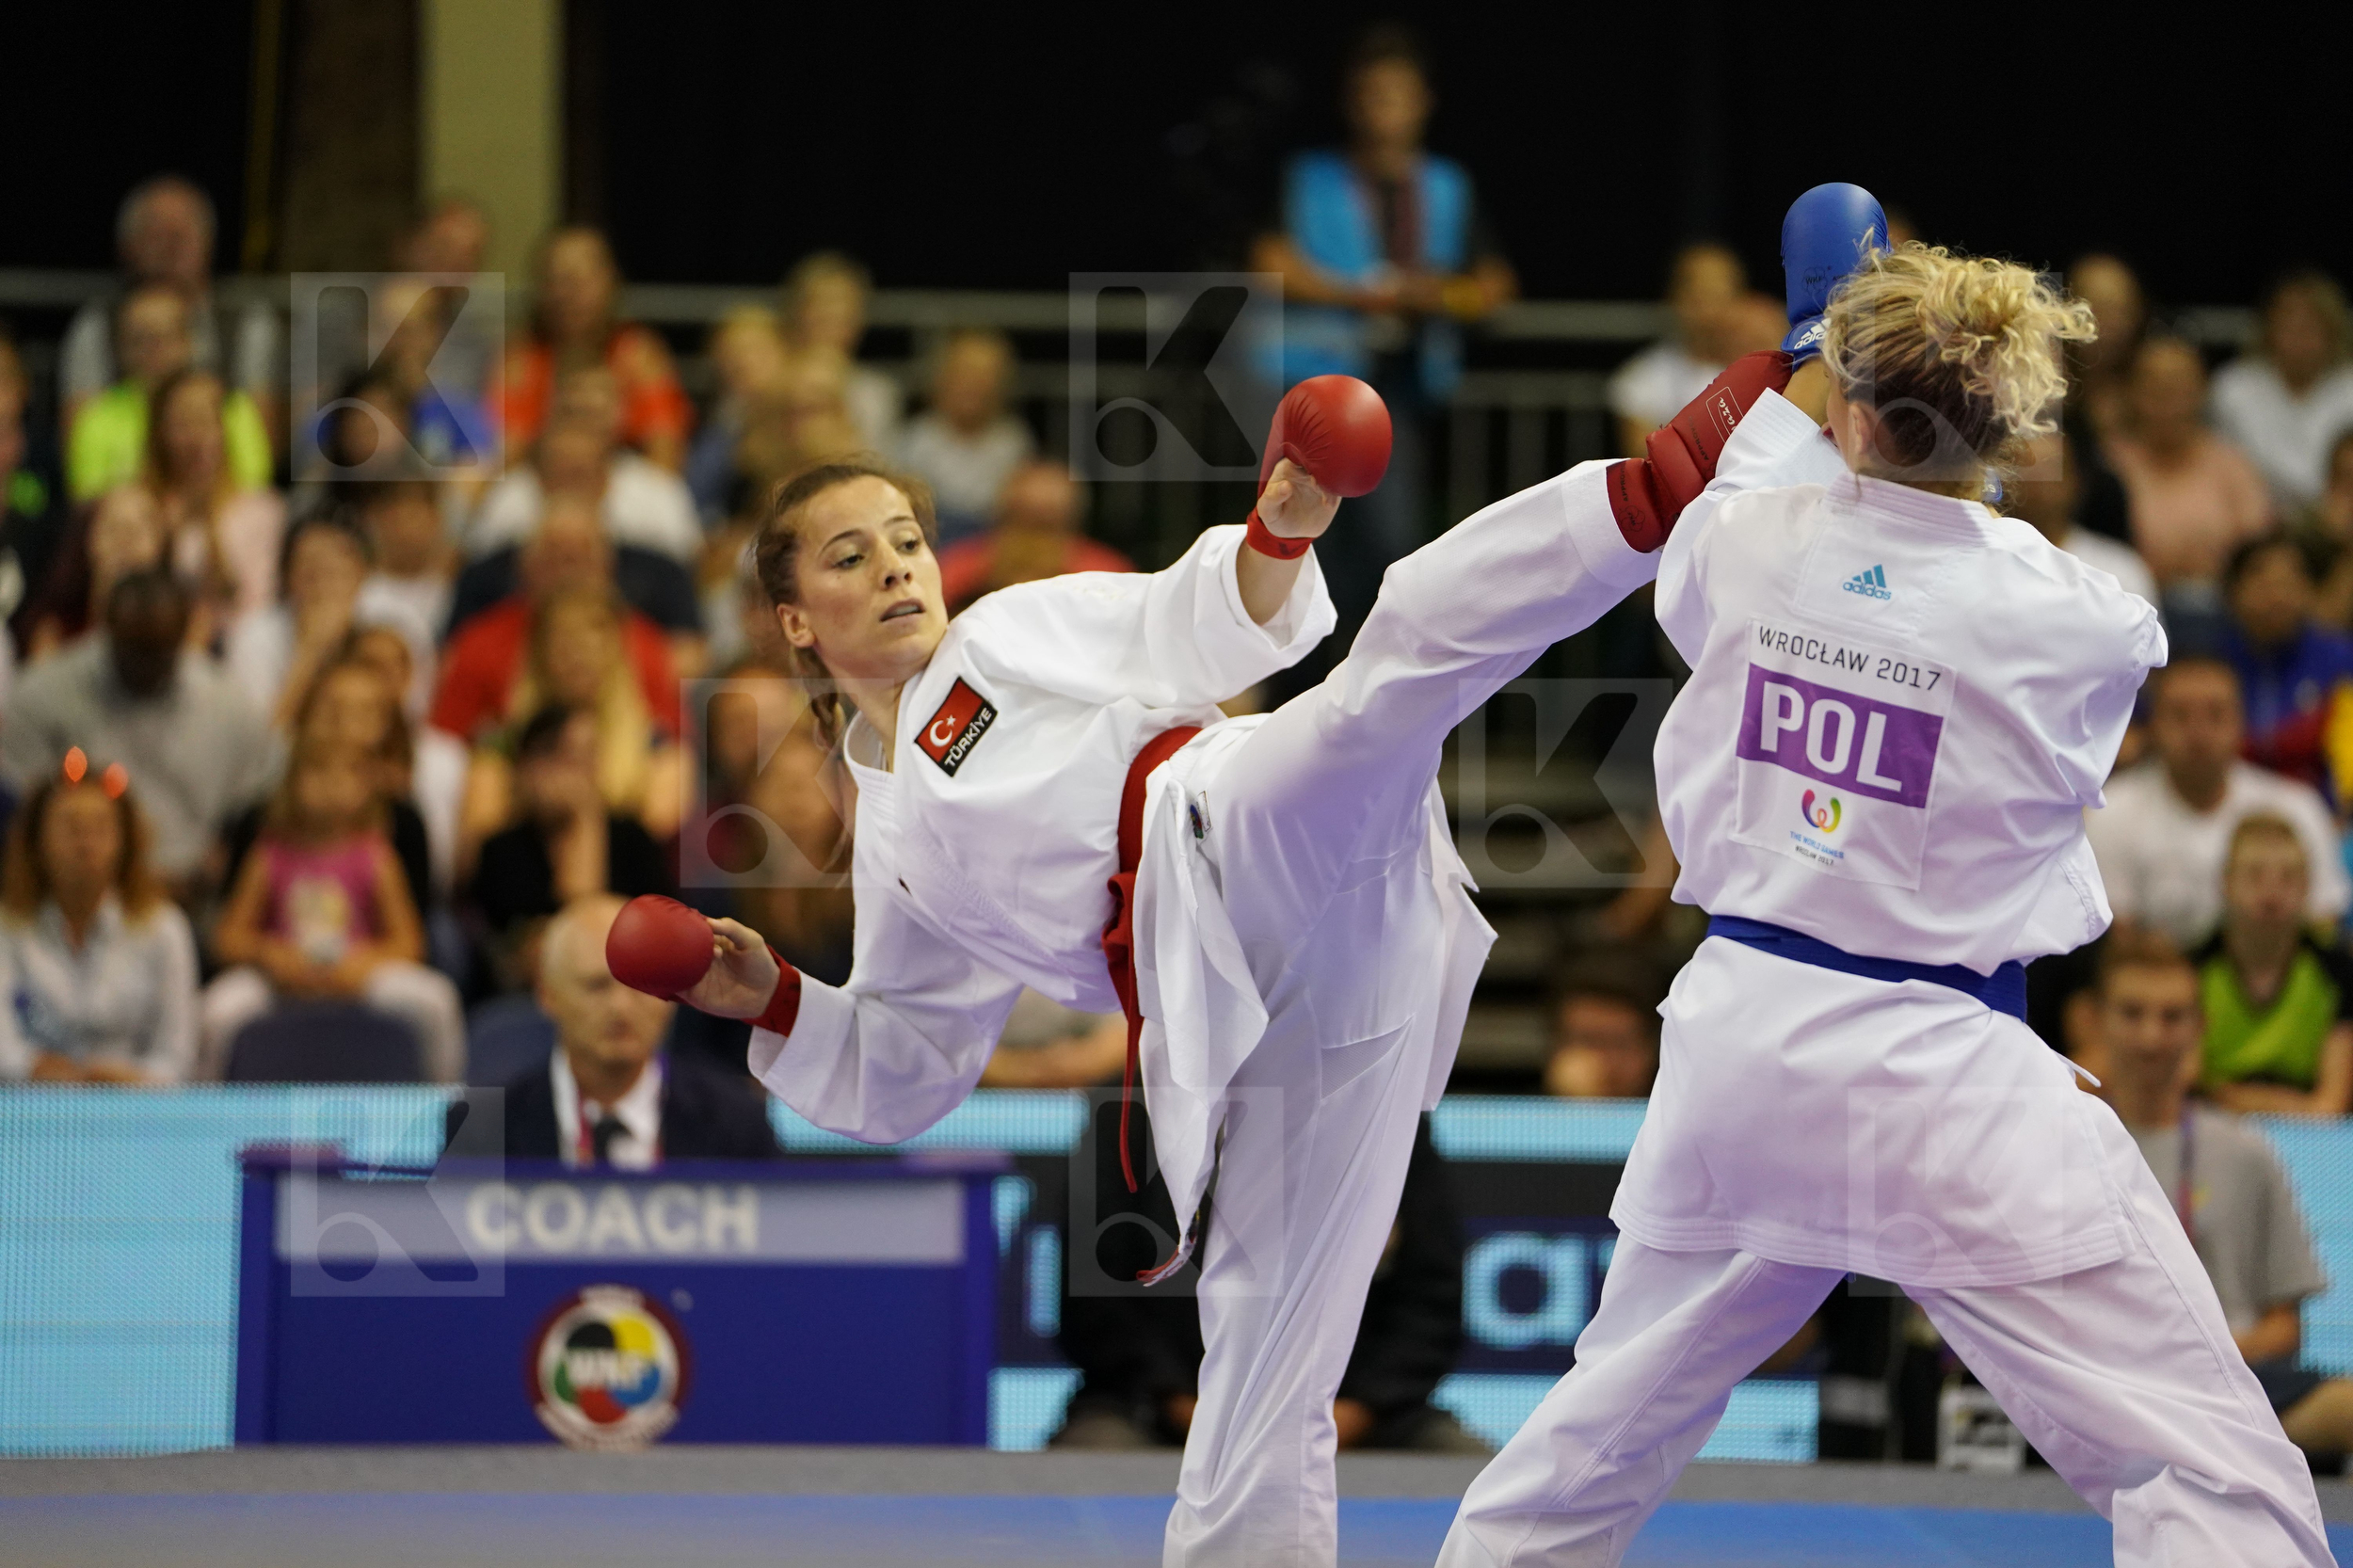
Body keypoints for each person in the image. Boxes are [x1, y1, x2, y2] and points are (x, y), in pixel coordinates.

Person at [1440, 245, 2333, 1564]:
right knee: (2205, 1461)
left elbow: (1773, 454)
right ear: (2014, 426)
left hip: (1744, 1049)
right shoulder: (2078, 613)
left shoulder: (1746, 533)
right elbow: (2058, 606)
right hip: (1944, 1077)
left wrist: (1820, 347)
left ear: (1853, 409)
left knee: (1598, 1434)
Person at [1251, 24, 1515, 647]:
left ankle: (1359, 669)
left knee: (1387, 545)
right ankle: (1288, 672)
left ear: (1423, 102)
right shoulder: (1310, 177)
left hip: (1400, 386)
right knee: (1300, 537)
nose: (1384, 110)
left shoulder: (1447, 185)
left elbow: (1494, 285)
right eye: (1372, 95)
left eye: (1397, 95)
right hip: (1309, 384)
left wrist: (1434, 296)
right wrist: (1359, 295)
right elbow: (1269, 264)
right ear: (1352, 102)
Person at [1053, 1116, 1481, 1455]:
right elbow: (1096, 1301)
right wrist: (1180, 1404)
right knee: (1092, 1462)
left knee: (1469, 1478)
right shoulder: (1130, 1106)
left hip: (1361, 1418)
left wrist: (1355, 1411)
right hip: (1155, 1414)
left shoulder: (1386, 1105)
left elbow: (1431, 1295)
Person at [2095, 930, 2353, 1463]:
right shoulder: (2062, 1147)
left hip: (2229, 1383)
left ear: (2199, 1027)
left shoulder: (2245, 1152)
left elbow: (2284, 1325)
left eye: (2172, 1017)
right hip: (2100, 1380)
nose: (2151, 1037)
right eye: (2133, 1013)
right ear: (2099, 1021)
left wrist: (2208, 1356)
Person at [444, 893, 780, 1165]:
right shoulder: (481, 1129)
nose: (621, 1007)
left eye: (642, 985)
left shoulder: (737, 1123)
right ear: (547, 995)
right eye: (597, 986)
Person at [202, 740, 466, 1082]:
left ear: (368, 786)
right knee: (217, 1011)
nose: (332, 784)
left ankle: (448, 1107)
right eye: (318, 771)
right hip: (282, 976)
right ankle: (207, 1111)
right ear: (291, 781)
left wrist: (362, 965)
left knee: (438, 1002)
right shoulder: (269, 854)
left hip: (357, 973)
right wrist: (270, 956)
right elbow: (228, 938)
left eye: (348, 773)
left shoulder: (376, 855)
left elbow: (410, 942)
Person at [0, 570, 277, 891]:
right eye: (133, 648)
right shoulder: (44, 695)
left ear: (183, 636)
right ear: (106, 629)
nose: (144, 664)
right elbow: (20, 811)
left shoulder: (228, 709)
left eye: (158, 651)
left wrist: (224, 857)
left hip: (187, 888)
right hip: (67, 891)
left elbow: (254, 804)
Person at [2086, 657, 2347, 948]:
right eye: (2180, 716)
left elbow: (2324, 926)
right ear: (2153, 724)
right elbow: (2112, 941)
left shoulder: (2297, 809)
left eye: (2216, 715)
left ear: (2242, 722)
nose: (2198, 732)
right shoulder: (2112, 811)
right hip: (2156, 974)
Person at [429, 497, 685, 744]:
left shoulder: (644, 644)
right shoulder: (480, 644)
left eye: (580, 554)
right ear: (526, 565)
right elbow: (444, 742)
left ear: (607, 566)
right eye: (554, 554)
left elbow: (673, 742)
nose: (568, 569)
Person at [0, 765, 199, 1083]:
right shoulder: (8, 926)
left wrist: (133, 1080)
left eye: (100, 827)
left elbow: (177, 1057)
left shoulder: (165, 928)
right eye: (71, 827)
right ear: (36, 841)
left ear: (126, 842)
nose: (85, 842)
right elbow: (5, 1049)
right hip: (30, 1102)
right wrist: (38, 1070)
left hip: (135, 1103)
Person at [456, 584, 684, 855]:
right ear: (538, 651)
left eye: (595, 634)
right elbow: (475, 848)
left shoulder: (657, 745)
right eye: (564, 636)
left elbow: (656, 849)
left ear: (618, 650)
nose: (580, 650)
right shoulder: (499, 743)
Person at [57, 177, 281, 450]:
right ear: (126, 246)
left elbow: (261, 443)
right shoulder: (99, 323)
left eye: (182, 235)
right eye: (155, 233)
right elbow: (78, 442)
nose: (170, 248)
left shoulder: (244, 320)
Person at [468, 704, 678, 992]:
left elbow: (661, 933)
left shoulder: (632, 837)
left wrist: (586, 819)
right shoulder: (503, 849)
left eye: (588, 754)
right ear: (528, 766)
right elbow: (534, 950)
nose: (576, 771)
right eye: (562, 756)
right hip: (534, 994)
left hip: (632, 984)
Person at [2193, 814, 2353, 1117]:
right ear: (2226, 883)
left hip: (2310, 1133)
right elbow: (2186, 1088)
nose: (2271, 892)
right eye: (2254, 875)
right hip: (2212, 1126)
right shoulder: (2192, 971)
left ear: (2307, 887)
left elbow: (2331, 1104)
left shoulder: (2338, 972)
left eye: (2287, 877)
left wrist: (2233, 1098)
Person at [466, 366, 702, 564]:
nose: (586, 425)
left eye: (595, 413)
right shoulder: (510, 497)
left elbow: (688, 571)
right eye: (574, 412)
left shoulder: (658, 492)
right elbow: (480, 576)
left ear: (620, 416)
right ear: (550, 416)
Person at [500, 228, 690, 471]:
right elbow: (503, 459)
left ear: (611, 283)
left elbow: (665, 459)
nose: (568, 295)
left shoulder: (638, 354)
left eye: (581, 281)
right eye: (556, 281)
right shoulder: (521, 359)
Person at [2104, 336, 2273, 607]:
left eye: (2179, 388)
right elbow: (2093, 550)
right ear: (2131, 392)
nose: (2167, 402)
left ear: (2202, 391)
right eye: (2155, 389)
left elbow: (2260, 550)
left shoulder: (2232, 464)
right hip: (2129, 603)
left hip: (2225, 608)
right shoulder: (2109, 464)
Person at [67, 289, 272, 505]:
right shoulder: (99, 415)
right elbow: (88, 500)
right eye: (139, 339)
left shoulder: (229, 405)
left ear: (188, 341)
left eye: (163, 337)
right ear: (121, 347)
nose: (152, 350)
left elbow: (254, 488)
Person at [138, 367, 286, 633]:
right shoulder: (138, 507)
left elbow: (256, 606)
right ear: (159, 432)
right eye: (183, 423)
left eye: (206, 420)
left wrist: (211, 525)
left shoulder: (262, 509)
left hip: (232, 640)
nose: (196, 437)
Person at [2221, 532, 2353, 801]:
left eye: (2288, 583)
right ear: (2234, 592)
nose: (2277, 597)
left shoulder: (2340, 660)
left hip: (2322, 809)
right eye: (2264, 585)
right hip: (2228, 806)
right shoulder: (2214, 662)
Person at [2211, 271, 2353, 509]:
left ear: (2333, 331)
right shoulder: (2233, 389)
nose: (2299, 337)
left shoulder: (2349, 386)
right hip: (2253, 517)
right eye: (2289, 324)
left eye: (2311, 326)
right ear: (2268, 328)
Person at [225, 515, 370, 728]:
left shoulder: (381, 631)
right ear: (288, 577)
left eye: (335, 573)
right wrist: (309, 653)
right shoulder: (255, 635)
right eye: (312, 573)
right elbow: (256, 741)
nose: (323, 588)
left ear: (361, 575)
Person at [933, 460, 1132, 614]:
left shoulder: (1109, 576)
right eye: (1022, 521)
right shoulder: (956, 568)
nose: (1033, 543)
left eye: (1047, 526)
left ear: (1072, 524)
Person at [1609, 244, 1749, 457]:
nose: (1712, 311)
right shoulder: (1640, 379)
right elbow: (1643, 456)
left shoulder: (1770, 373)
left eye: (1722, 296)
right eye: (1700, 296)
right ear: (1676, 298)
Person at [895, 328, 1032, 540]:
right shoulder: (915, 439)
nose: (974, 384)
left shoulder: (1014, 442)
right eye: (964, 373)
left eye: (986, 376)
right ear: (941, 378)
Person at [1999, 429, 2157, 605]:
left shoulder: (2120, 570)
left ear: (2077, 480)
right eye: (2027, 470)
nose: (2040, 482)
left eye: (2051, 468)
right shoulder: (1989, 564)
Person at [780, 251, 902, 452]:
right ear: (797, 311)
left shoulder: (878, 394)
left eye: (845, 304)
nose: (833, 314)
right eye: (822, 302)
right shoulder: (771, 385)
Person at [1540, 955, 1662, 1100]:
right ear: (1555, 1047)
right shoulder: (1521, 1109)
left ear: (1650, 1050)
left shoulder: (1680, 1112)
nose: (1605, 1064)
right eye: (1588, 1041)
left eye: (1620, 1044)